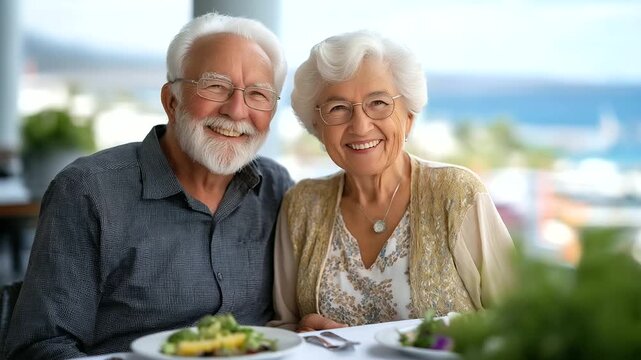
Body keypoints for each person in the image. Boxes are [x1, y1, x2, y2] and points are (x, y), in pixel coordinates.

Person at [5, 12, 292, 359]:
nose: (236, 110)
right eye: (215, 86)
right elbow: (40, 347)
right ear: (171, 101)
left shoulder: (276, 189)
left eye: (258, 94)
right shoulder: (87, 192)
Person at [269, 30, 514, 332]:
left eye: (379, 103)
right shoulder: (302, 205)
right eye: (338, 108)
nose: (360, 126)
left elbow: (521, 320)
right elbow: (283, 329)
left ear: (409, 116)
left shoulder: (457, 193)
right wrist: (302, 331)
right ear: (317, 126)